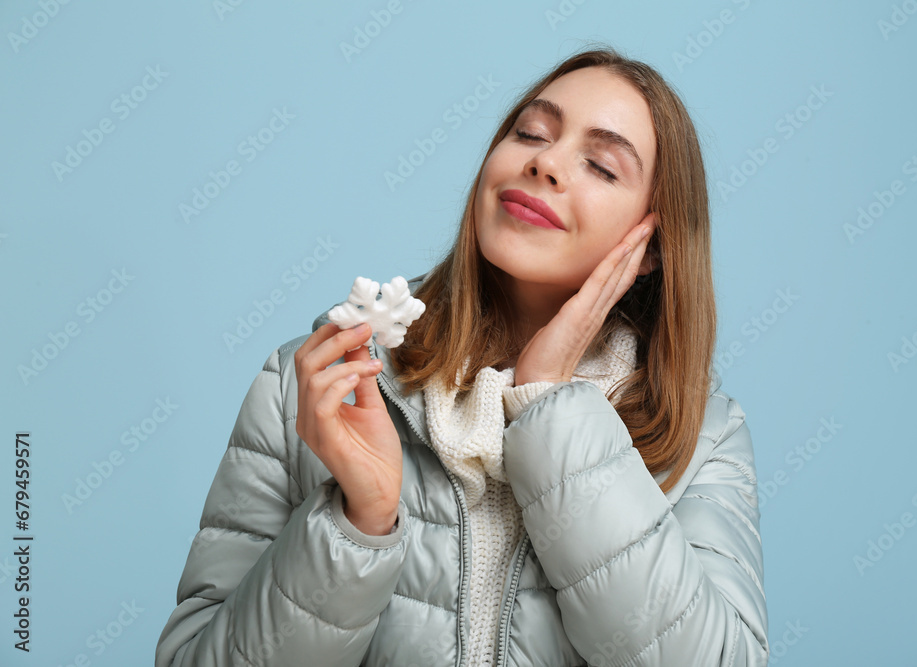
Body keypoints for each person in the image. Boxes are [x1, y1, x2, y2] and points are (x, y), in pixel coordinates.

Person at [155, 45, 769, 666]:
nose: (546, 162)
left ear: (654, 245)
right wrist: (357, 526)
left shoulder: (703, 435)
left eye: (602, 166)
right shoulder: (315, 385)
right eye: (531, 132)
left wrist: (549, 403)